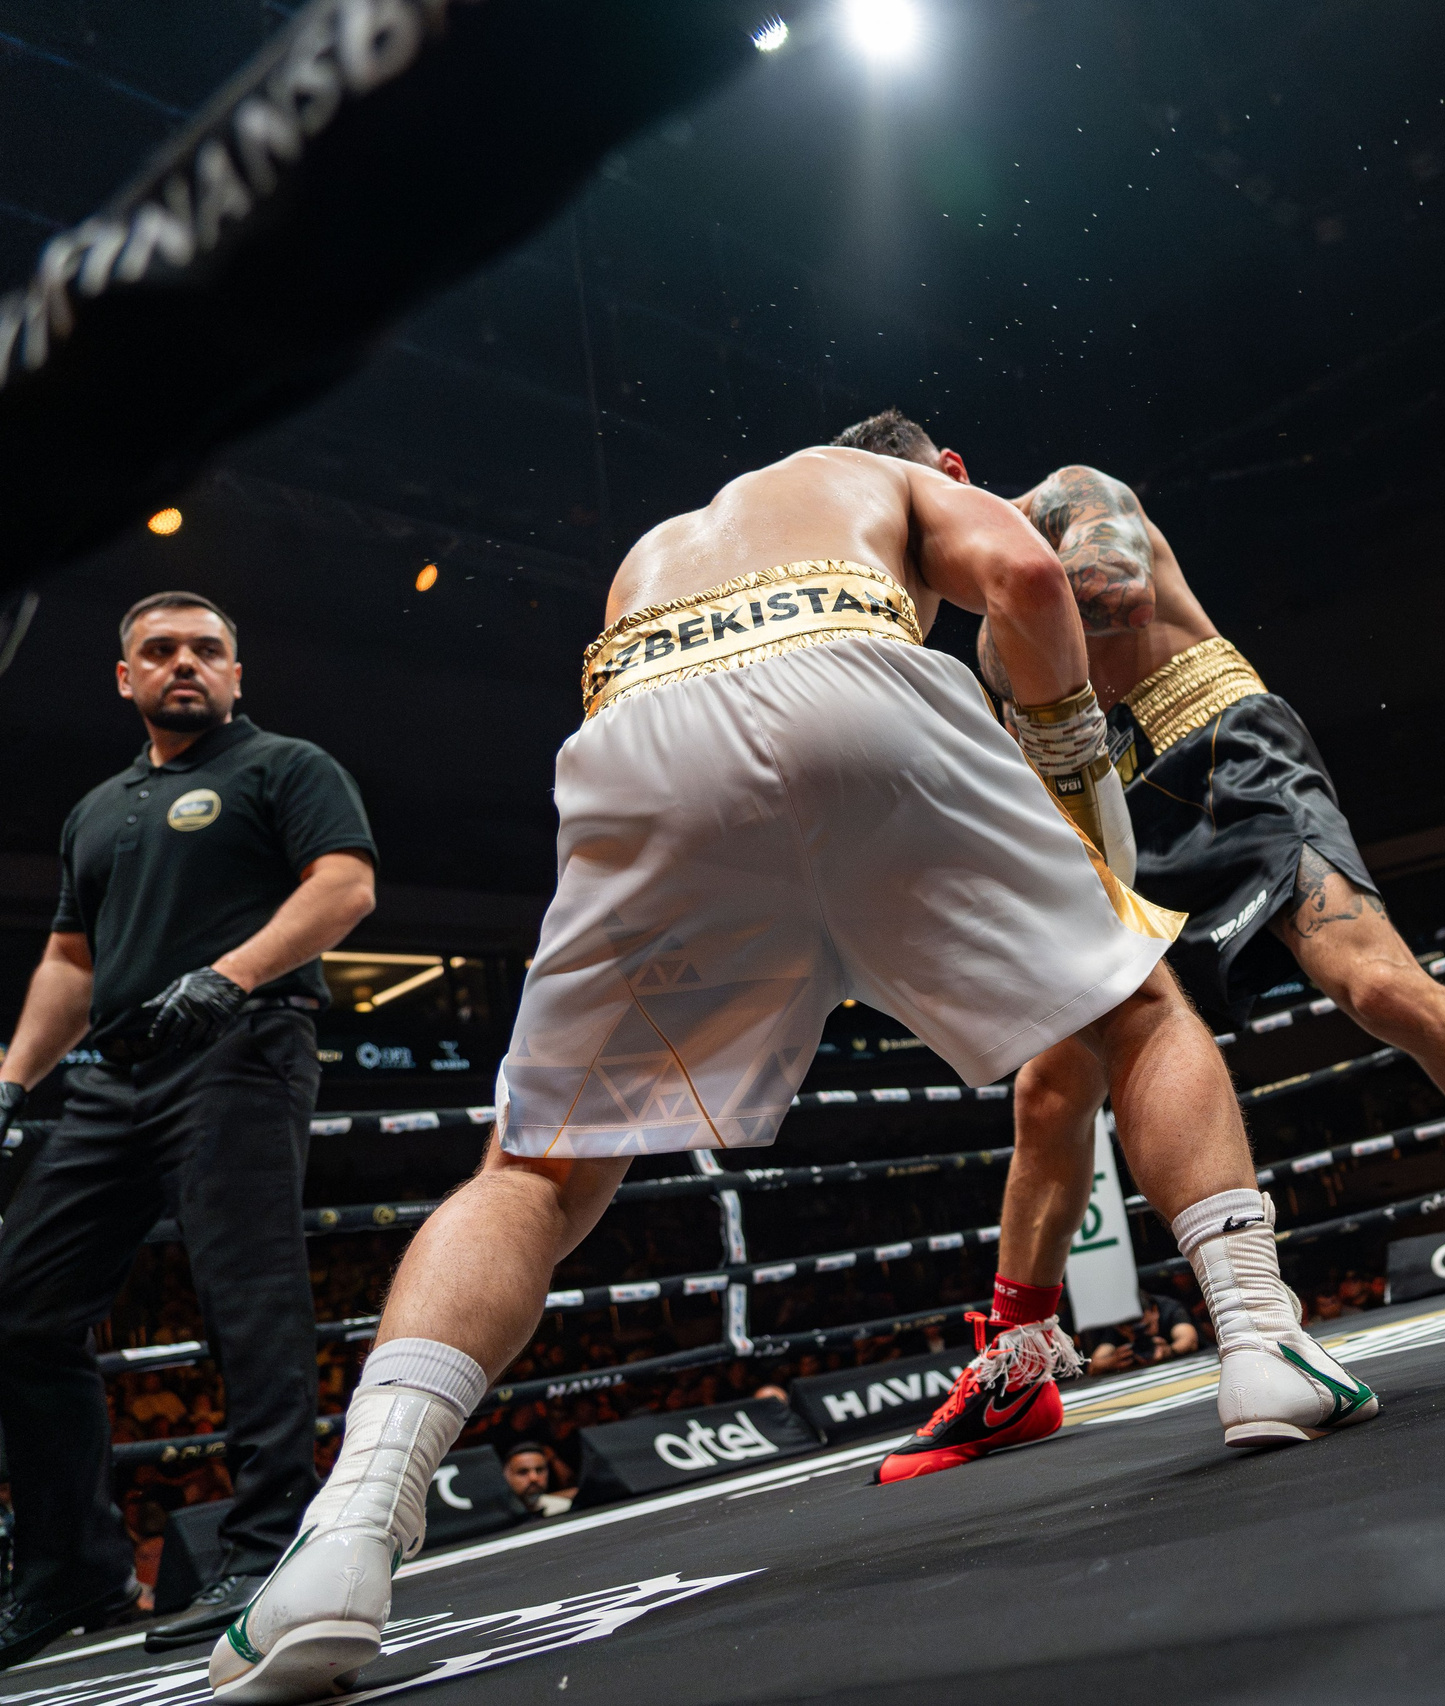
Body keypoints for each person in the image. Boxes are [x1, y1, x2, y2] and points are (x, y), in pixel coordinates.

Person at [208, 436, 1375, 1703]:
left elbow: (704, 742)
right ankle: (1261, 1342)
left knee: (537, 1163)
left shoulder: (665, 543)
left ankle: (344, 1539)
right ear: (941, 459)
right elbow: (1033, 576)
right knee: (1136, 1002)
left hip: (641, 737)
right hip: (849, 685)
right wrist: (1071, 756)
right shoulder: (894, 481)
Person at [848, 408, 1445, 1482]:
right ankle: (1016, 1368)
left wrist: (1002, 581)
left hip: (1228, 756)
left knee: (1373, 984)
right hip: (1114, 817)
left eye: (916, 524)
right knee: (1051, 1080)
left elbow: (1107, 587)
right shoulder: (979, 648)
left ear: (952, 480)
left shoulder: (1067, 498)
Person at [0, 593, 377, 1671]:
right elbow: (70, 959)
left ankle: (269, 1548)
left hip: (242, 1045)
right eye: (160, 651)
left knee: (247, 1296)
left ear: (236, 673)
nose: (184, 664)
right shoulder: (99, 808)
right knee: (21, 1306)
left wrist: (228, 976)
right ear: (124, 677)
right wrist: (12, 1077)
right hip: (116, 1071)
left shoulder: (284, 766)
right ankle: (70, 1565)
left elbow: (345, 887)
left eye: (206, 650)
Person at [499, 1443, 571, 1519]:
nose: (534, 1478)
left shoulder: (564, 1508)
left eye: (539, 1470)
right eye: (523, 1472)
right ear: (506, 1476)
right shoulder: (496, 1519)